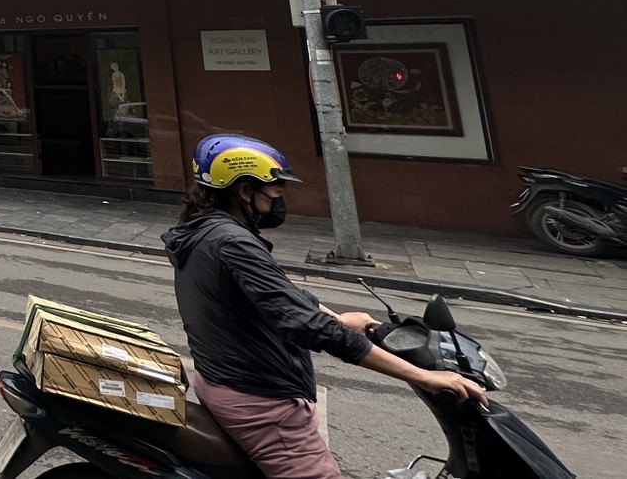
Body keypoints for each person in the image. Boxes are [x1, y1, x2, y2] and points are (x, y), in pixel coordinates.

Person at [163, 134, 487, 478]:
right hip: (262, 401)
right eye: (274, 190)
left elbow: (277, 296)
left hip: (222, 381)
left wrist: (340, 318)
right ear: (244, 191)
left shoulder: (203, 232)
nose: (278, 199)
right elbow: (305, 325)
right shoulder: (233, 243)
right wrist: (424, 376)